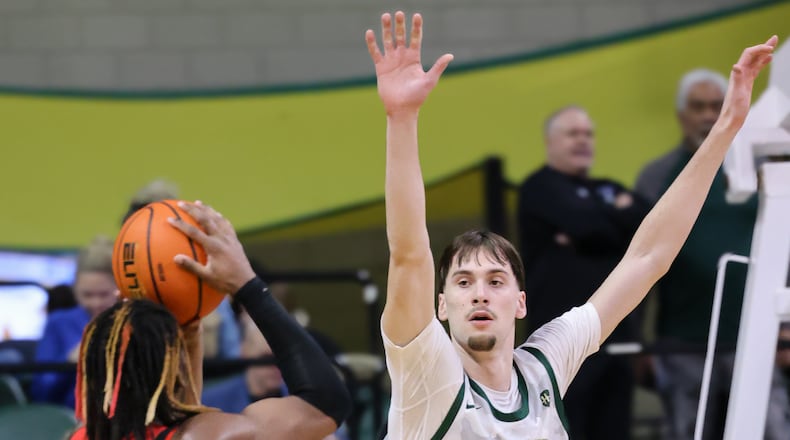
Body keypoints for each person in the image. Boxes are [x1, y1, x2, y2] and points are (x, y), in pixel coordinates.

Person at [365, 10, 776, 438]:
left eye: (495, 281)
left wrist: (727, 127)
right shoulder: (427, 374)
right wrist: (402, 118)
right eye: (463, 282)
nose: (479, 294)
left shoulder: (545, 364)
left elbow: (649, 257)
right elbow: (410, 254)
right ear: (442, 306)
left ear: (521, 303)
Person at [69, 201, 351, 439]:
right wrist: (247, 286)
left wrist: (188, 332)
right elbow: (325, 403)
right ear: (173, 368)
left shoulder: (75, 435)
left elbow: (184, 408)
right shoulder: (207, 435)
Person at [634, 68, 790, 439]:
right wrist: (640, 342)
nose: (707, 115)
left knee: (770, 429)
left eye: (715, 106)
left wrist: (784, 327)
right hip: (683, 342)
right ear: (680, 114)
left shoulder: (760, 168)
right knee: (689, 431)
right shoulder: (656, 176)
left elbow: (784, 246)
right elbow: (635, 261)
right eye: (697, 106)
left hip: (755, 339)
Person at [517, 105, 650, 439]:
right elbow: (588, 226)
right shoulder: (539, 187)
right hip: (563, 345)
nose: (583, 141)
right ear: (550, 141)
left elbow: (646, 219)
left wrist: (587, 230)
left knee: (615, 428)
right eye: (572, 133)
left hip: (616, 341)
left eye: (588, 134)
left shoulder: (607, 186)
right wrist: (611, 222)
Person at [31, 235, 119, 407]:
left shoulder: (136, 323)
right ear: (75, 289)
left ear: (119, 289)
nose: (96, 303)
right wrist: (71, 361)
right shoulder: (58, 323)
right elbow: (40, 393)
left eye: (103, 294)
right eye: (87, 295)